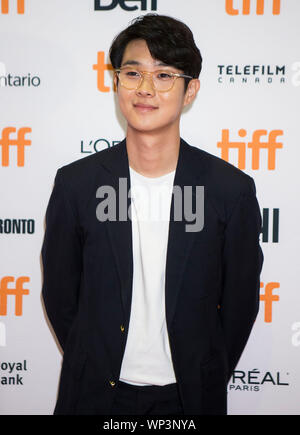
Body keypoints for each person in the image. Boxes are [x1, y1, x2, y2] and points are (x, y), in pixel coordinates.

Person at [41, 13, 264, 415]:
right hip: (95, 395)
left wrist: (205, 372)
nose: (145, 89)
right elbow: (60, 294)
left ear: (190, 90)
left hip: (188, 398)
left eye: (164, 76)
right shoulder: (77, 184)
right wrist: (92, 360)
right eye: (133, 73)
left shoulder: (228, 190)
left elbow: (240, 303)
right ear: (115, 81)